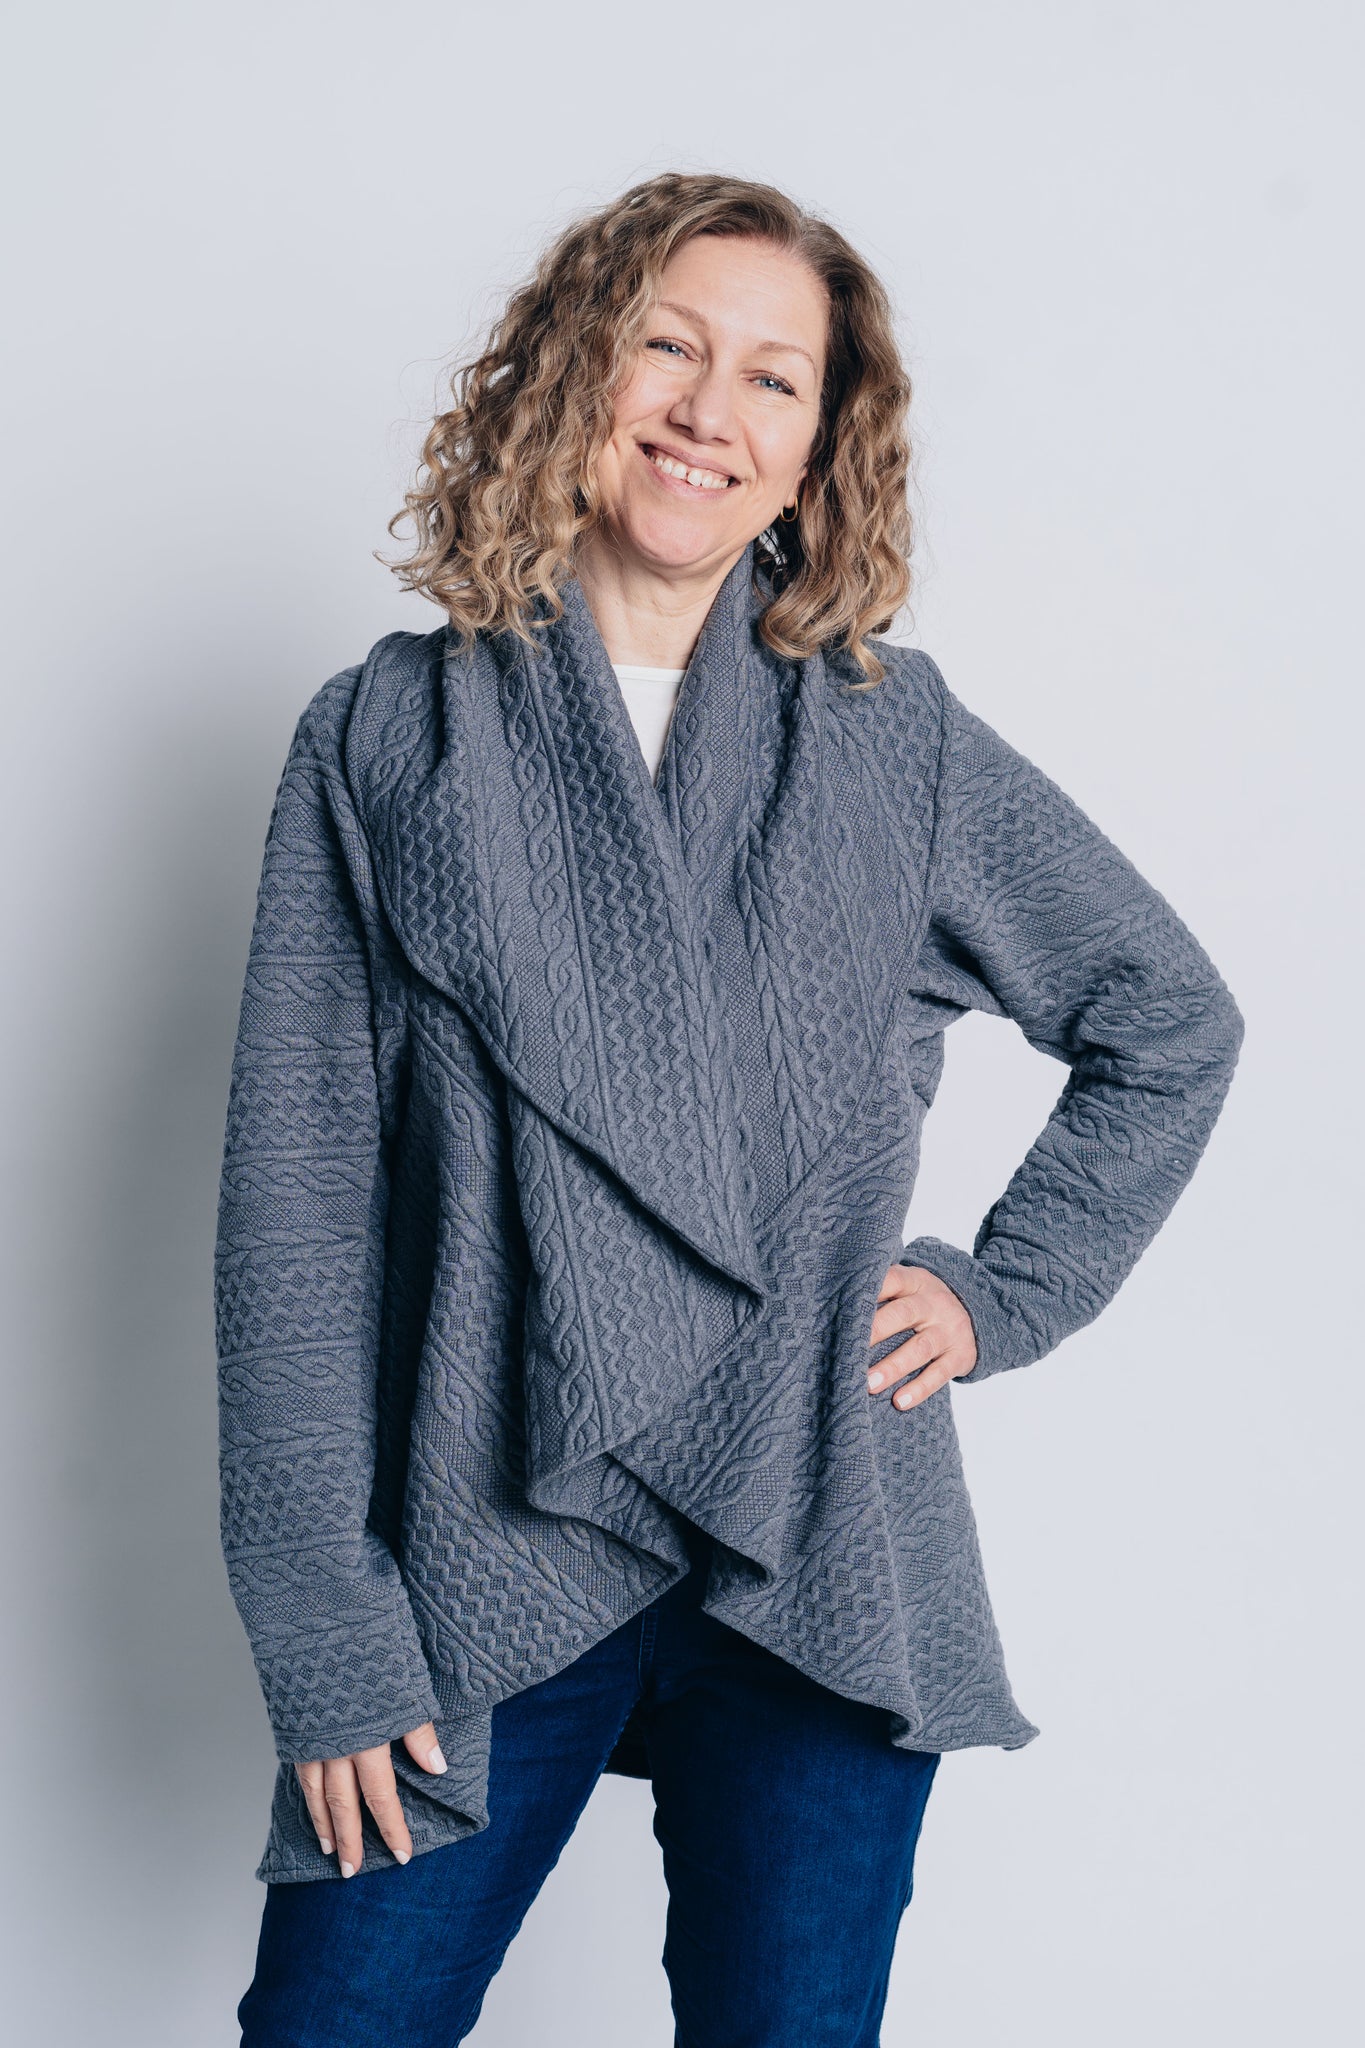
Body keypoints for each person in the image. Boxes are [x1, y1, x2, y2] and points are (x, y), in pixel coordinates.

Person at [215, 171, 1244, 2046]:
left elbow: (1166, 1018)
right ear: (574, 375)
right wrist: (322, 1627)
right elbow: (295, 1219)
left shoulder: (896, 742)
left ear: (815, 448)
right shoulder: (387, 737)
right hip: (482, 1537)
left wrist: (1002, 1292)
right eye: (666, 348)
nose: (709, 411)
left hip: (819, 1528)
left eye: (773, 378)